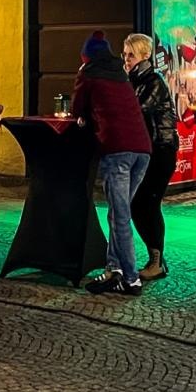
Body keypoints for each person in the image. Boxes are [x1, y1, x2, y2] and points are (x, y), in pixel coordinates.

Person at [73, 32, 152, 295]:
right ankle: (113, 269)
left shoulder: (90, 74)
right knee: (118, 212)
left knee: (120, 216)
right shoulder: (120, 75)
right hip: (142, 151)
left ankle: (131, 279)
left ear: (87, 56)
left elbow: (77, 108)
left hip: (117, 150)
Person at [124, 33, 177, 282]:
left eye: (131, 55)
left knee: (148, 202)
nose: (126, 59)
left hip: (161, 150)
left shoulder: (153, 81)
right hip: (146, 150)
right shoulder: (132, 80)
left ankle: (157, 261)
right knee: (137, 204)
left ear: (145, 56)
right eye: (125, 55)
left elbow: (140, 109)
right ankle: (155, 257)